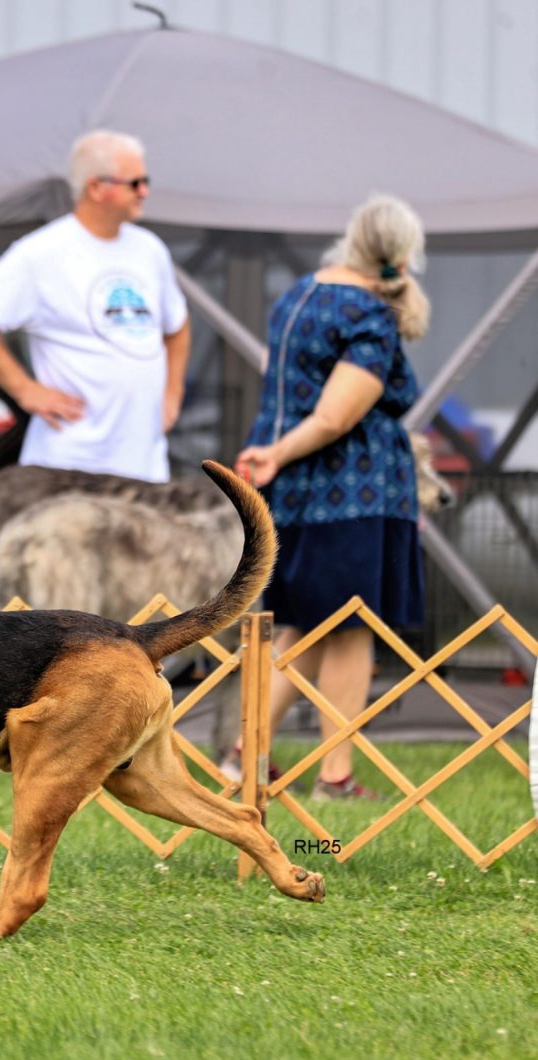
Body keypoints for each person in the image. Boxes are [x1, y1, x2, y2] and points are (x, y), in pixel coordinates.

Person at [233, 194, 431, 801]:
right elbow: (336, 415)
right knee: (347, 631)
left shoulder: (298, 294)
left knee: (302, 628)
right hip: (353, 493)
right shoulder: (369, 313)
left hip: (294, 495)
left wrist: (271, 455)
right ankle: (330, 777)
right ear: (403, 252)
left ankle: (245, 757)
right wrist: (279, 452)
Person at [0, 129, 191, 483]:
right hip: (70, 466)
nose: (145, 192)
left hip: (144, 466)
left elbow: (177, 326)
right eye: (135, 183)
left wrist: (172, 393)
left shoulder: (150, 250)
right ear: (96, 188)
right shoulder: (43, 252)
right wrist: (24, 389)